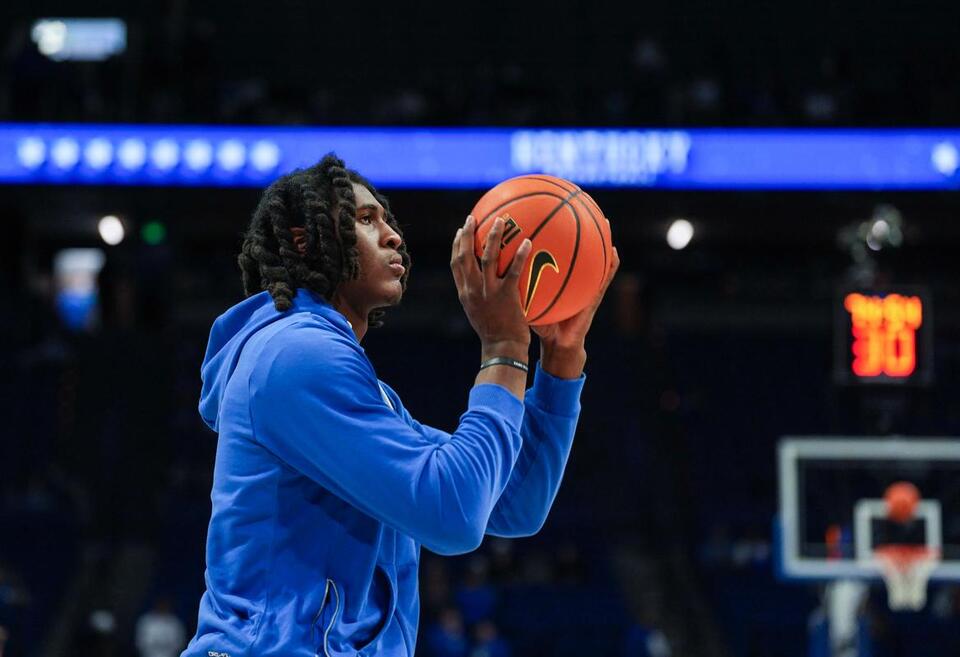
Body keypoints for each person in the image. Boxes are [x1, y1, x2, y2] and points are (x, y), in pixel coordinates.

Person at [182, 153, 618, 657]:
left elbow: (515, 502)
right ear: (304, 241)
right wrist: (504, 348)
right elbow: (451, 516)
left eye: (388, 221)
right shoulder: (294, 356)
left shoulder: (365, 389)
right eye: (367, 220)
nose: (393, 236)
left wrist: (560, 362)